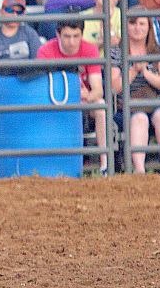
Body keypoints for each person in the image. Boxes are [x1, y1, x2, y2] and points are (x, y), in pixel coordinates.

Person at [38, 20, 108, 174]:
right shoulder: (45, 51)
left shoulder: (90, 49)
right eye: (67, 36)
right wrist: (76, 94)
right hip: (56, 102)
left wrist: (88, 96)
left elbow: (98, 90)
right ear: (58, 34)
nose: (72, 42)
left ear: (82, 35)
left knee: (101, 107)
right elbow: (44, 88)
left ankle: (105, 164)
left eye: (76, 36)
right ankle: (53, 166)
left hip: (84, 101)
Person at [112, 14, 160, 174]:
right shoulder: (116, 53)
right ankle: (139, 171)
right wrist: (133, 70)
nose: (137, 28)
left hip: (156, 101)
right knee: (139, 118)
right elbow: (114, 87)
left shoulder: (159, 52)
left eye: (142, 24)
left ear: (149, 28)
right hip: (127, 105)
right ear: (126, 26)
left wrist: (145, 72)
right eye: (133, 23)